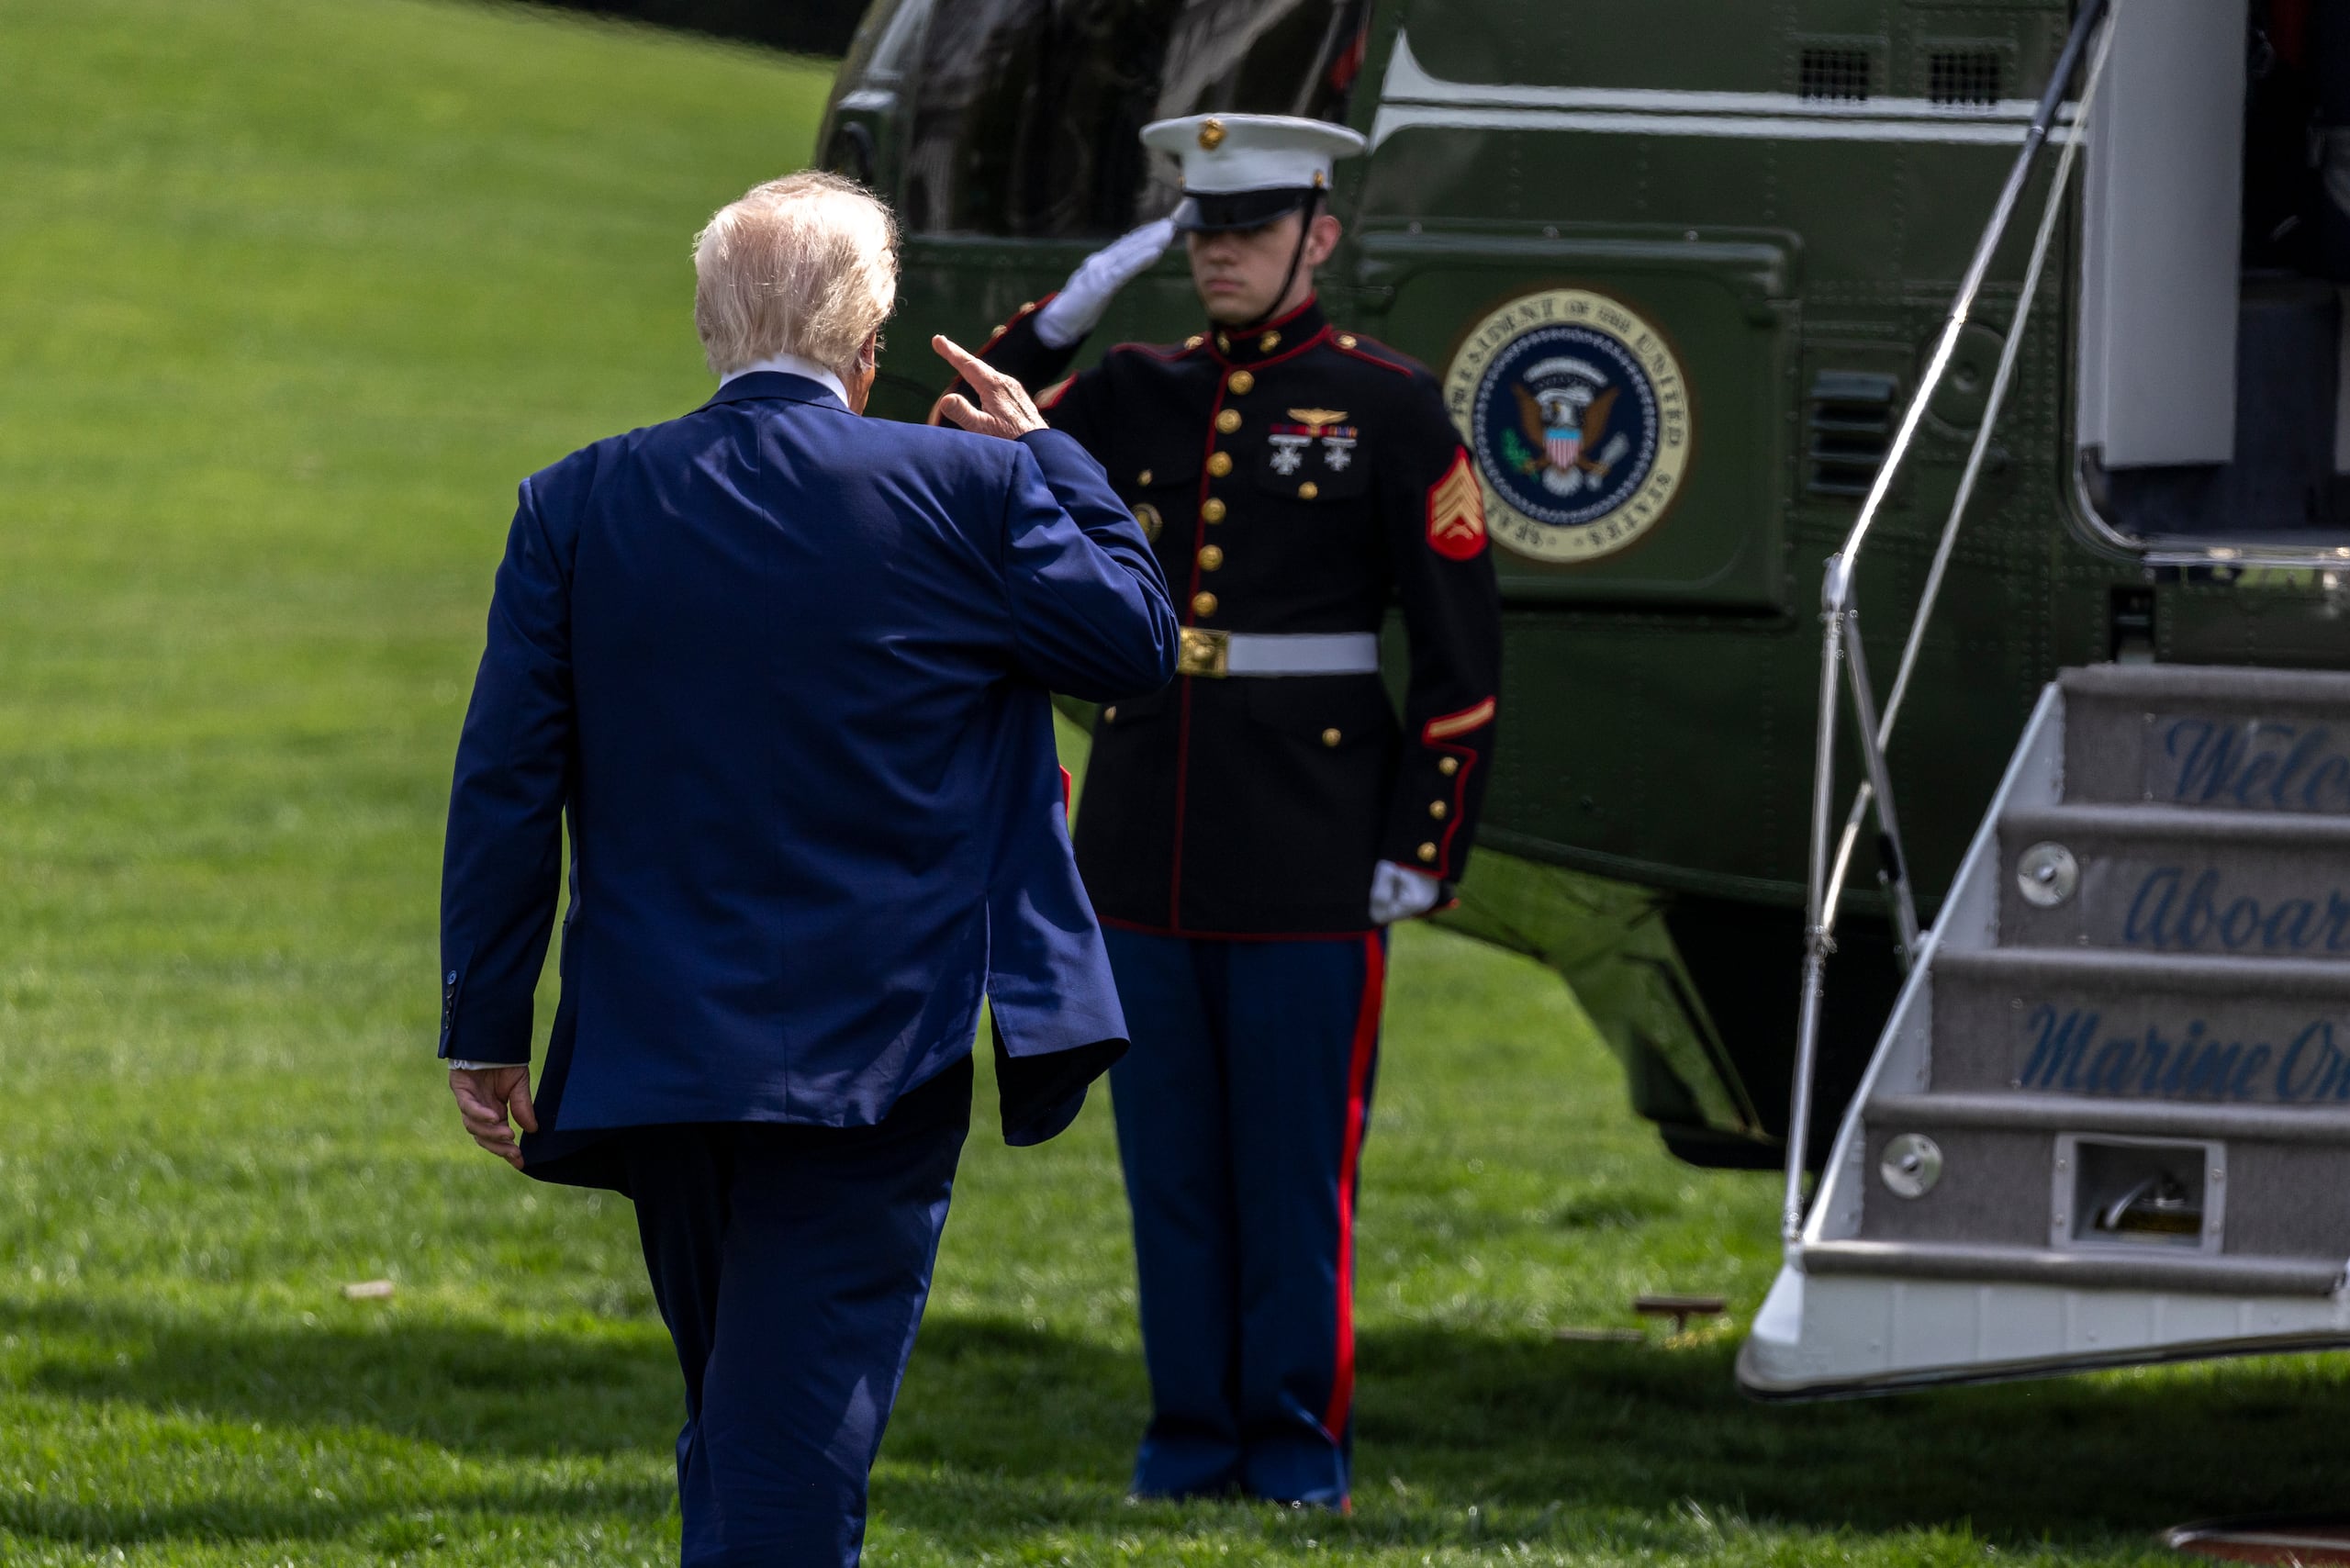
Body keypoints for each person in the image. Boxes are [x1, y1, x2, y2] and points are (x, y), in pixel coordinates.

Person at [437, 172, 1176, 1567]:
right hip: (873, 1053)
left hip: (655, 1046)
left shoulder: (577, 504)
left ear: (711, 326)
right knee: (785, 1453)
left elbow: (504, 785)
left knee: (740, 1416)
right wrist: (1049, 455)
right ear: (870, 339)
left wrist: (483, 1024)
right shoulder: (971, 486)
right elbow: (1133, 642)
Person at [948, 115, 1503, 1508]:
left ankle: (1297, 1449)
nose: (1221, 256)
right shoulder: (1134, 387)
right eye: (1201, 233)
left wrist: (1420, 848)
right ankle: (1188, 1442)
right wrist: (1062, 320)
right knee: (1175, 1178)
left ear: (1320, 233)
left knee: (1294, 1181)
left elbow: (1459, 656)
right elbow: (955, 441)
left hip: (1316, 846)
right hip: (1148, 838)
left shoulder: (1387, 405)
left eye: (1250, 229)